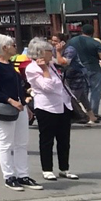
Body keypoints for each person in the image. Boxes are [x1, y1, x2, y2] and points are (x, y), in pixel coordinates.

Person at [0, 33, 41, 191]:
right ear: (4, 48)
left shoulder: (9, 63)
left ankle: (22, 174)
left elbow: (19, 87)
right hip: (5, 107)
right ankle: (9, 176)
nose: (15, 47)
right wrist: (10, 100)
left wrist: (24, 104)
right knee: (6, 142)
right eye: (13, 45)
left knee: (21, 143)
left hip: (19, 107)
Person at [25, 37, 79, 182]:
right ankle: (47, 169)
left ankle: (64, 168)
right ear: (40, 53)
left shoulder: (51, 64)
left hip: (63, 104)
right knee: (47, 139)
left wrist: (59, 52)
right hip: (46, 106)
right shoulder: (32, 68)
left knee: (64, 139)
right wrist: (44, 70)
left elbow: (63, 64)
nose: (52, 53)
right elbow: (47, 87)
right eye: (50, 51)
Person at [68, 22, 101, 122]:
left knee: (81, 92)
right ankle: (93, 113)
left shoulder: (72, 41)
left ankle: (79, 113)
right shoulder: (96, 43)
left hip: (77, 69)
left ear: (82, 31)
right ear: (92, 32)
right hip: (93, 68)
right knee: (95, 91)